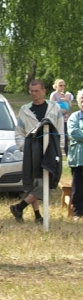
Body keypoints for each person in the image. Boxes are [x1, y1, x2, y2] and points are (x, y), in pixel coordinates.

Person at [10, 79, 64, 224]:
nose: (34, 94)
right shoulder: (25, 110)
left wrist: (59, 149)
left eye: (37, 91)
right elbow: (19, 132)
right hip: (32, 150)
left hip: (50, 149)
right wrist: (23, 147)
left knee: (47, 182)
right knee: (34, 183)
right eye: (31, 91)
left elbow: (60, 129)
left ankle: (19, 207)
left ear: (44, 91)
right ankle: (37, 216)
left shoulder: (54, 108)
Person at [67, 89, 83, 222]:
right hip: (78, 158)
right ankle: (77, 212)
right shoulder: (74, 117)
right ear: (78, 102)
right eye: (81, 99)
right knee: (77, 186)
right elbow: (74, 133)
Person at [50, 79, 73, 155]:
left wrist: (67, 100)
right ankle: (55, 153)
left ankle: (68, 154)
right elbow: (51, 106)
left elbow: (70, 106)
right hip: (57, 120)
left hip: (65, 119)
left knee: (66, 138)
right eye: (60, 85)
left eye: (64, 85)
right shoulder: (54, 95)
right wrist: (60, 110)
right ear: (56, 85)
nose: (62, 87)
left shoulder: (65, 94)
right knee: (57, 137)